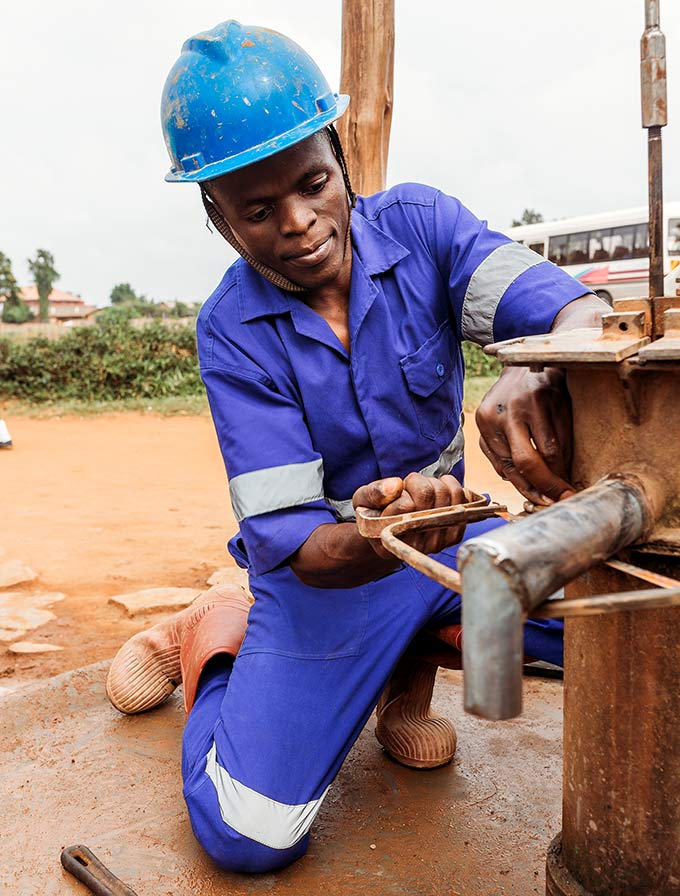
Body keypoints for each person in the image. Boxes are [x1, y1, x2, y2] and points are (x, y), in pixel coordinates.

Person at [107, 21, 607, 874]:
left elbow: (580, 312)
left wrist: (543, 363)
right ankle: (215, 632)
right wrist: (382, 535)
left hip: (462, 554)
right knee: (249, 835)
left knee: (637, 624)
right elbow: (301, 546)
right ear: (218, 218)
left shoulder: (425, 227)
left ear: (340, 156)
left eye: (313, 184)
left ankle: (403, 683)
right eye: (258, 211)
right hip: (332, 584)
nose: (299, 225)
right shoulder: (233, 332)